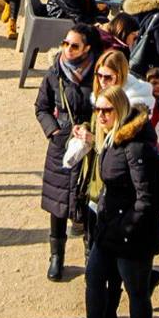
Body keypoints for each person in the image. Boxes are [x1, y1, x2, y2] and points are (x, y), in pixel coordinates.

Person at [59, 87, 159, 318]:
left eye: (106, 110)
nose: (101, 115)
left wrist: (126, 228)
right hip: (110, 228)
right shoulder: (111, 138)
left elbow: (146, 199)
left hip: (133, 235)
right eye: (98, 109)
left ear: (119, 110)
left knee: (137, 294)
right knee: (94, 278)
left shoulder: (136, 146)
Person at [36, 25, 97, 282]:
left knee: (89, 201)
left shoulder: (98, 74)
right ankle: (56, 257)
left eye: (74, 45)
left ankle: (90, 255)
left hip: (90, 144)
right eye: (65, 44)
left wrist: (94, 132)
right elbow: (42, 107)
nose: (68, 50)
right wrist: (53, 132)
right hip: (62, 145)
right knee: (58, 203)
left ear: (87, 49)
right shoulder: (54, 74)